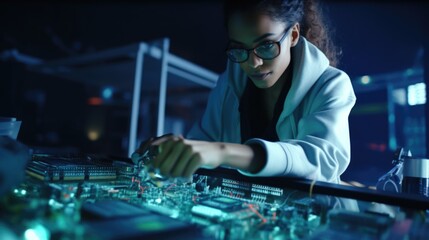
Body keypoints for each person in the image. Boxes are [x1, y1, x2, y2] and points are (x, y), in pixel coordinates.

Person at [133, 0, 356, 183]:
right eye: (239, 48)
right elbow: (202, 143)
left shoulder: (331, 84)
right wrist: (176, 150)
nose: (253, 63)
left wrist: (223, 151)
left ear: (294, 35)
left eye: (267, 45)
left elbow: (322, 161)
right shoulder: (228, 84)